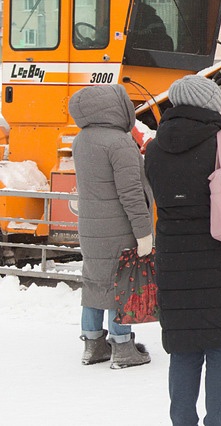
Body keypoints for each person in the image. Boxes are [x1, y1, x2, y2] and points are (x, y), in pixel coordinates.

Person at [144, 75, 221, 426]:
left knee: (183, 351)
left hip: (176, 263)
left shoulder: (154, 147)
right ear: (210, 104)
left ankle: (182, 421)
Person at [69, 84, 154, 369]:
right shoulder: (119, 142)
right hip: (118, 226)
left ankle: (93, 345)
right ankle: (122, 346)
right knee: (122, 285)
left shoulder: (81, 139)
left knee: (94, 280)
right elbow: (130, 193)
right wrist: (143, 232)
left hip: (91, 227)